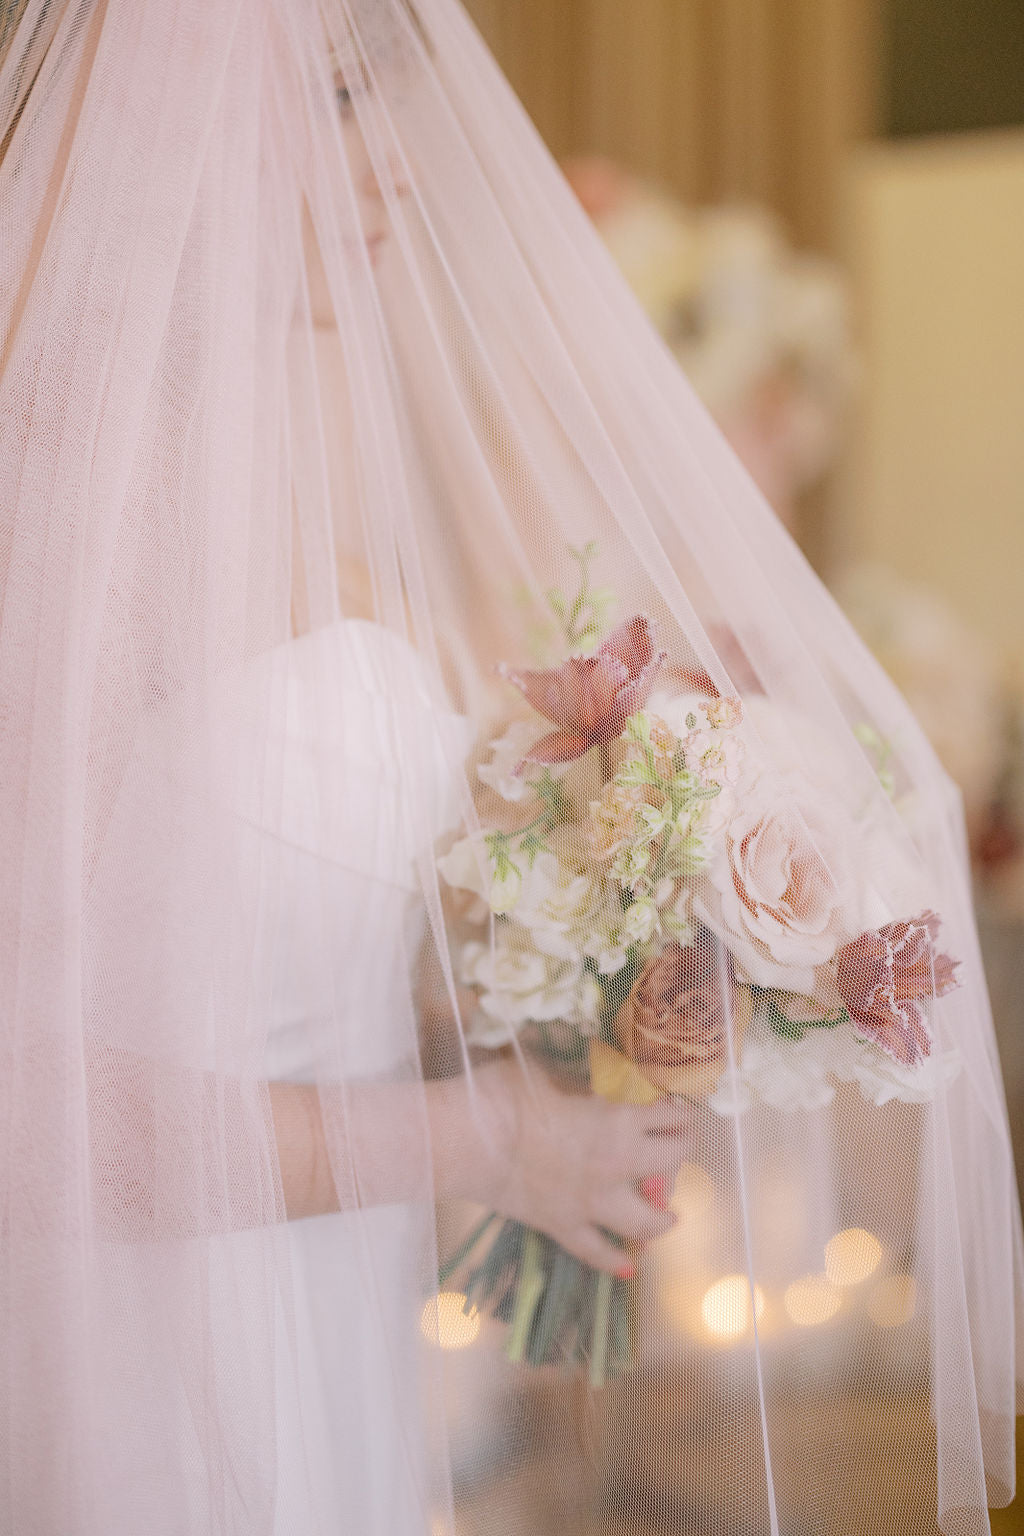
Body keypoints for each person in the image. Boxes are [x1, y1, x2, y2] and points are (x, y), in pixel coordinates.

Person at [1, 3, 1020, 1534]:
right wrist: (491, 1136)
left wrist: (583, 961)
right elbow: (40, 1104)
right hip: (147, 1356)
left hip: (324, 1308)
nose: (399, 161)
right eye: (346, 97)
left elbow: (235, 947)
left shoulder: (304, 464)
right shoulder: (75, 503)